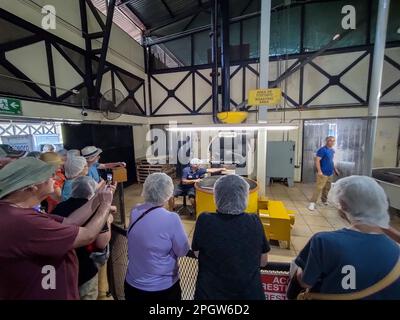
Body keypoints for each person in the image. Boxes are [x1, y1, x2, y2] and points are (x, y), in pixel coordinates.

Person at [0, 157, 114, 299]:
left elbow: (69, 222)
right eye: (47, 176)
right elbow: (88, 235)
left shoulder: (15, 211)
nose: (54, 177)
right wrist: (105, 206)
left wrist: (98, 198)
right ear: (31, 187)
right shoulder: (23, 222)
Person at [292, 176, 400, 299]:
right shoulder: (396, 253)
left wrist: (296, 269)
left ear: (343, 204)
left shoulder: (324, 242)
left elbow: (305, 282)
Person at [192, 174, 270, 300]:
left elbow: (196, 253)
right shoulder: (254, 221)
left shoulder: (205, 220)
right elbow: (263, 261)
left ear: (217, 196)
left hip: (209, 295)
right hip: (248, 295)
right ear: (244, 197)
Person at [125, 173, 189, 301]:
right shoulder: (171, 218)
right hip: (161, 289)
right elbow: (182, 251)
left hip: (132, 285)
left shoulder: (135, 210)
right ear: (168, 193)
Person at [52, 176, 114, 300]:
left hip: (64, 269)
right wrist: (107, 219)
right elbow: (102, 242)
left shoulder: (58, 208)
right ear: (92, 192)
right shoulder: (95, 210)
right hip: (85, 268)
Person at [308, 136, 339, 211]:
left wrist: (335, 169)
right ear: (326, 141)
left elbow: (331, 161)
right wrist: (319, 171)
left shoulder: (332, 150)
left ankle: (324, 200)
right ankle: (312, 203)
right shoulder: (322, 150)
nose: (332, 142)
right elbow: (317, 161)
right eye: (330, 140)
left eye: (333, 141)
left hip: (330, 172)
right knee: (319, 188)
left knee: (327, 188)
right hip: (323, 173)